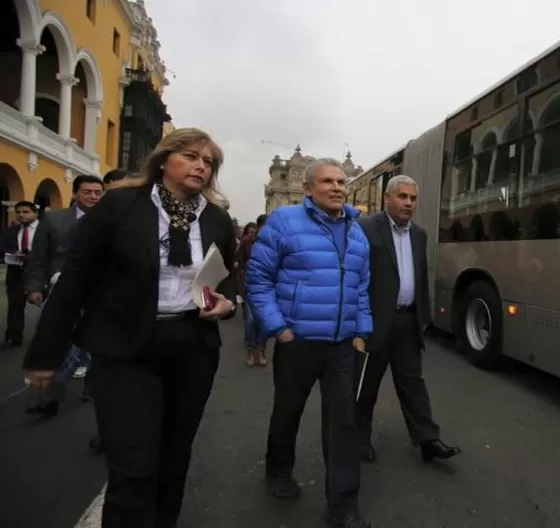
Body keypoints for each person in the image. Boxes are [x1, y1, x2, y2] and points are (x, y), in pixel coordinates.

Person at [22, 127, 238, 528]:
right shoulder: (120, 206)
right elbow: (75, 280)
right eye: (191, 156)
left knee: (174, 460)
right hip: (124, 350)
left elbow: (226, 279)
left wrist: (226, 305)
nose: (200, 166)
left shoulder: (217, 219)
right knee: (134, 465)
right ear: (164, 159)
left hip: (191, 350)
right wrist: (45, 355)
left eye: (208, 162)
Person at [246, 157, 373, 528]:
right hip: (297, 341)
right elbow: (258, 279)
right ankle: (279, 471)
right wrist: (279, 329)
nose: (337, 187)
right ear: (307, 189)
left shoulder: (356, 229)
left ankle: (343, 506)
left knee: (343, 424)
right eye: (328, 181)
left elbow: (362, 287)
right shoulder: (285, 222)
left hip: (342, 346)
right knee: (287, 412)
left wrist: (361, 332)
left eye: (341, 181)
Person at [356, 175, 461, 463]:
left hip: (408, 323)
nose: (408, 203)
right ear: (387, 198)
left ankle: (428, 440)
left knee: (413, 384)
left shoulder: (419, 234)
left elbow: (420, 276)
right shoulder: (366, 229)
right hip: (374, 324)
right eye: (402, 197)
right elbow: (355, 278)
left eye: (413, 199)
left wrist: (423, 318)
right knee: (366, 387)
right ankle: (359, 439)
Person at [24, 174, 105, 418]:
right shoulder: (53, 219)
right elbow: (39, 258)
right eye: (86, 192)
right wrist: (35, 287)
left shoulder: (112, 221)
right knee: (55, 346)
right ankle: (49, 398)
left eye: (97, 192)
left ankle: (95, 388)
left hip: (99, 298)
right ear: (75, 194)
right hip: (61, 294)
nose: (92, 196)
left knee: (96, 347)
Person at [0, 201, 39, 350]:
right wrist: (12, 254)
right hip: (16, 272)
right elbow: (1, 250)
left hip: (38, 271)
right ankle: (13, 337)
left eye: (25, 212)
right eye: (19, 212)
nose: (21, 215)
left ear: (35, 213)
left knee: (47, 306)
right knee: (15, 306)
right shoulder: (10, 231)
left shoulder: (45, 230)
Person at [236, 221, 266, 366]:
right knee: (250, 320)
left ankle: (260, 350)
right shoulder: (247, 242)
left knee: (262, 321)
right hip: (250, 285)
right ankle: (250, 349)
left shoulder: (271, 243)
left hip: (267, 288)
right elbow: (238, 261)